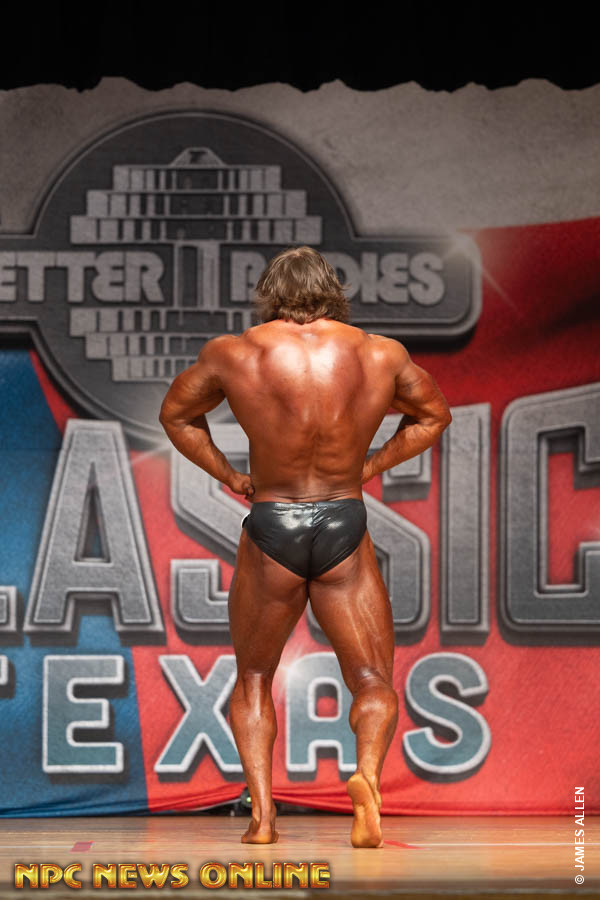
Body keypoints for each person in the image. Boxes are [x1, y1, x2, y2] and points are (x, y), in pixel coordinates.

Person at [158, 246, 452, 847]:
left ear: (270, 293)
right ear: (333, 291)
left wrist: (230, 475)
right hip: (344, 519)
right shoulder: (379, 354)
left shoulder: (236, 352)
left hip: (273, 523)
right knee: (372, 679)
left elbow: (176, 416)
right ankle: (366, 778)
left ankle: (264, 818)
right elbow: (433, 416)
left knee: (253, 677)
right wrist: (369, 466)